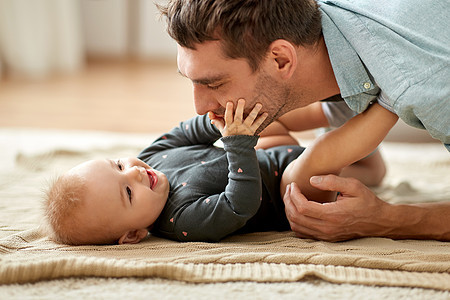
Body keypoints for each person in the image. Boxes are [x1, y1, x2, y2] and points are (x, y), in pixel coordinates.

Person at [157, 0, 450, 241]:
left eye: (215, 84)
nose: (199, 108)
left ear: (281, 60)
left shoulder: (426, 86)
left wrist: (386, 220)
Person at [43, 99, 393, 245]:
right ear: (134, 234)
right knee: (317, 159)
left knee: (269, 120)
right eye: (128, 193)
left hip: (268, 153)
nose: (134, 173)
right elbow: (240, 203)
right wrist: (238, 144)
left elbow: (186, 132)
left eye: (118, 165)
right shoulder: (182, 220)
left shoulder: (148, 158)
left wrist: (223, 121)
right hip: (291, 190)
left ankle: (343, 108)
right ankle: (388, 106)